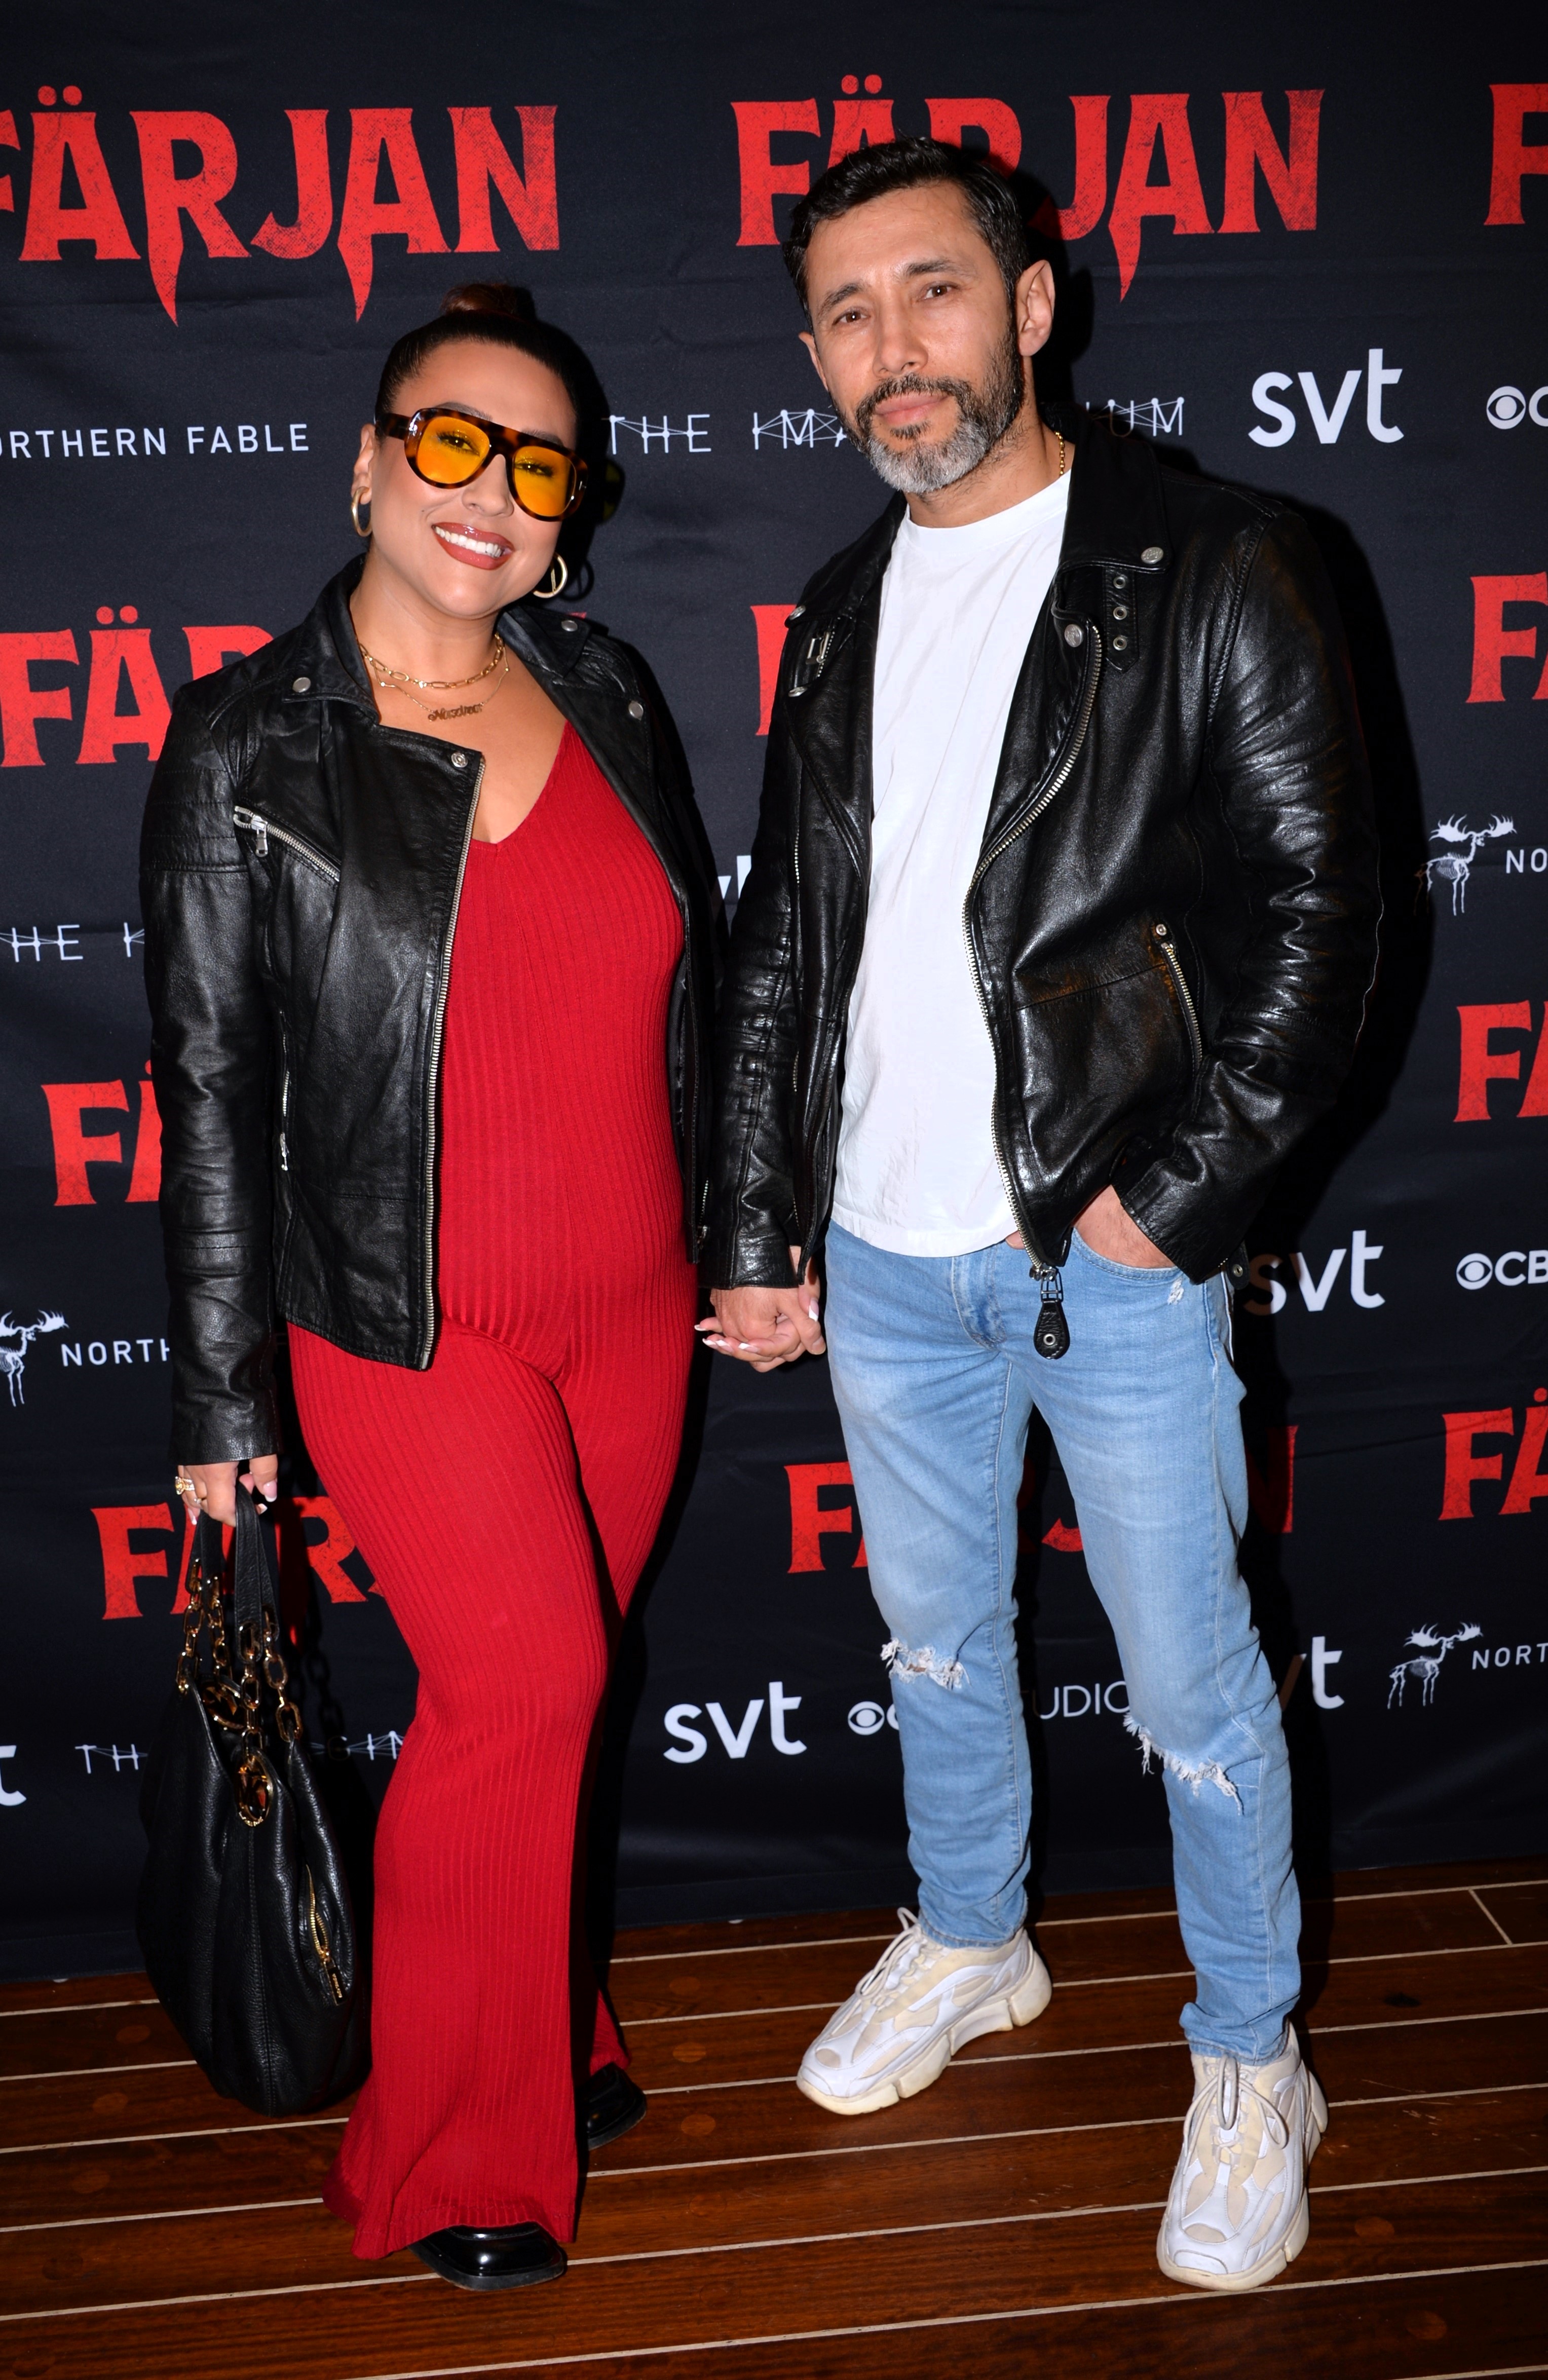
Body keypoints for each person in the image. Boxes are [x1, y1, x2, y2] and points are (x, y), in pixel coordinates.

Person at [701, 139, 1379, 2294]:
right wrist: (759, 1222)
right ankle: (976, 1935)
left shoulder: (1218, 560)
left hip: (1105, 1259)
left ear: (1030, 304)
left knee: (1191, 1690)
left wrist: (1161, 1208)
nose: (889, 348)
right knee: (931, 1641)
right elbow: (787, 947)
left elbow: (1321, 920)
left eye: (929, 291)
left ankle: (1252, 2054)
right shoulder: (836, 606)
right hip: (879, 1253)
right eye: (845, 312)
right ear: (815, 354)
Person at [142, 284, 718, 2290]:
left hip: (631, 1313)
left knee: (553, 1699)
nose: (491, 489)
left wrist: (743, 1238)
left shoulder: (606, 685)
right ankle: (453, 2146)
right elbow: (209, 1091)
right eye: (452, 440)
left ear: (567, 516)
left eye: (537, 463)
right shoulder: (246, 744)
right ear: (369, 465)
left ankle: (553, 2029)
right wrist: (223, 1407)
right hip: (406, 1318)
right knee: (524, 1686)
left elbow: (694, 993)